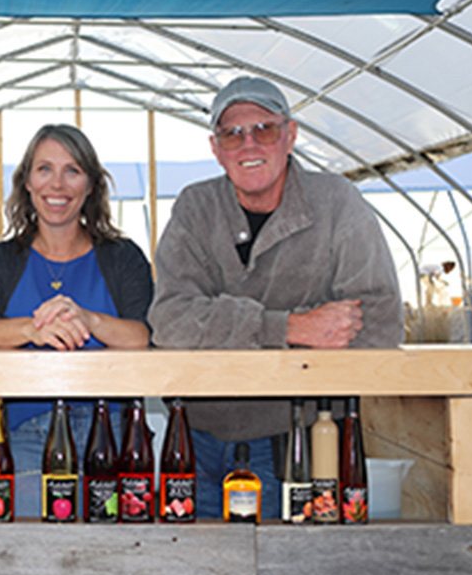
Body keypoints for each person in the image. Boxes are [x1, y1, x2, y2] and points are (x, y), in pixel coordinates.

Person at [148, 76, 403, 520]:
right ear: (215, 147)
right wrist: (292, 328)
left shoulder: (336, 202)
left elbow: (379, 322)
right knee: (195, 572)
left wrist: (222, 326)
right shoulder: (195, 207)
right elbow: (170, 320)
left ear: (291, 135)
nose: (249, 145)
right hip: (197, 437)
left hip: (302, 438)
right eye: (233, 134)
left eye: (264, 129)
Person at [0, 124, 153, 517]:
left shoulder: (122, 256)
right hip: (26, 431)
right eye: (45, 169)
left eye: (73, 170)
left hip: (113, 430)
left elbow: (145, 334)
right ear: (27, 181)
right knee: (33, 559)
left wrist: (88, 319)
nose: (57, 184)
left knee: (119, 557)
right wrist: (31, 329)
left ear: (91, 185)